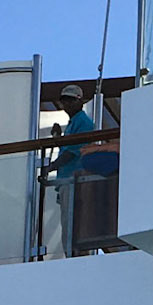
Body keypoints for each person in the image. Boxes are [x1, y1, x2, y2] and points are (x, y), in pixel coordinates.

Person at [52, 84, 97, 257]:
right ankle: (74, 256)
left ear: (80, 101)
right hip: (69, 180)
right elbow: (69, 149)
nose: (67, 104)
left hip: (75, 181)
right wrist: (58, 138)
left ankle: (76, 258)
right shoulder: (74, 123)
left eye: (71, 100)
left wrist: (50, 167)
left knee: (73, 224)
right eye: (64, 101)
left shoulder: (83, 122)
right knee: (69, 224)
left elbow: (72, 153)